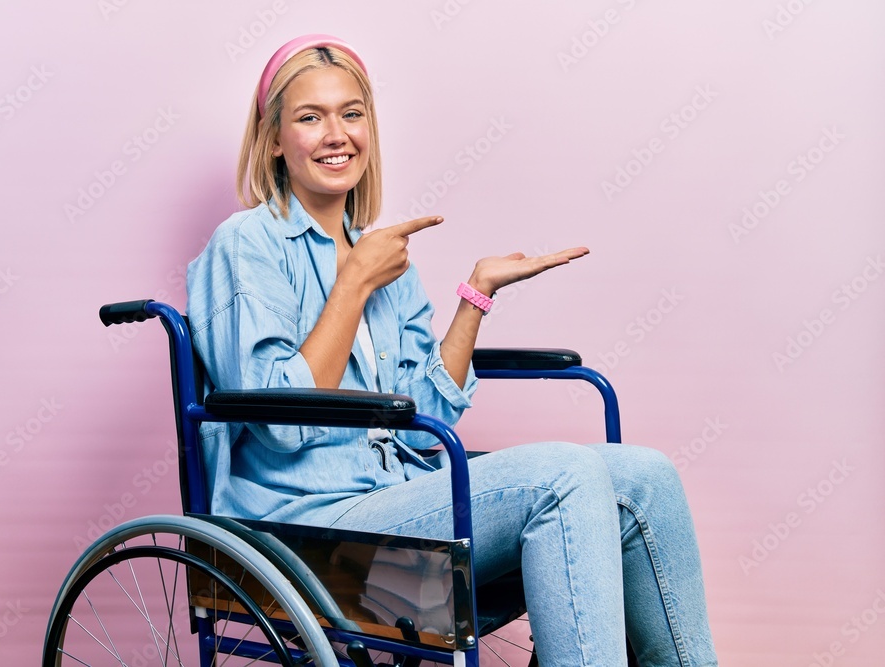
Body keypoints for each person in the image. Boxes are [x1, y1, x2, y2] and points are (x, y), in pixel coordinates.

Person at [186, 34, 718, 667]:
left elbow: (425, 419)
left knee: (645, 475)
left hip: (397, 505)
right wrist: (353, 282)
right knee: (565, 474)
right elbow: (279, 425)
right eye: (310, 117)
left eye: (351, 114)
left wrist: (476, 297)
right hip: (308, 543)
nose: (336, 134)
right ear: (274, 139)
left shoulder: (386, 256)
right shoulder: (246, 244)